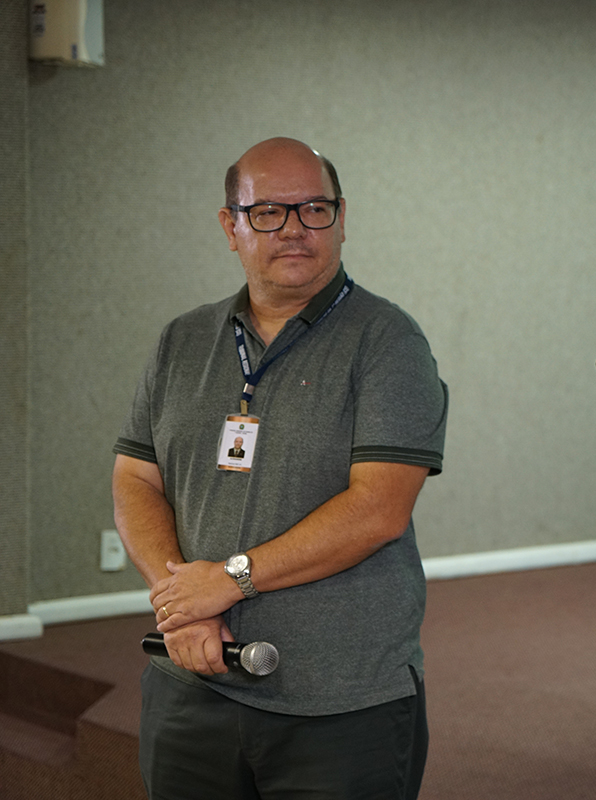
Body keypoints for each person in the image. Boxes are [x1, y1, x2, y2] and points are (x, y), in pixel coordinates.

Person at [112, 137, 448, 799]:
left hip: (339, 705)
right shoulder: (182, 340)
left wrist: (229, 581)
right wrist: (183, 603)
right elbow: (136, 478)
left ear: (342, 219)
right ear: (229, 226)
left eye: (314, 209)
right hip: (192, 685)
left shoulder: (389, 342)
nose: (294, 228)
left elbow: (378, 510)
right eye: (267, 211)